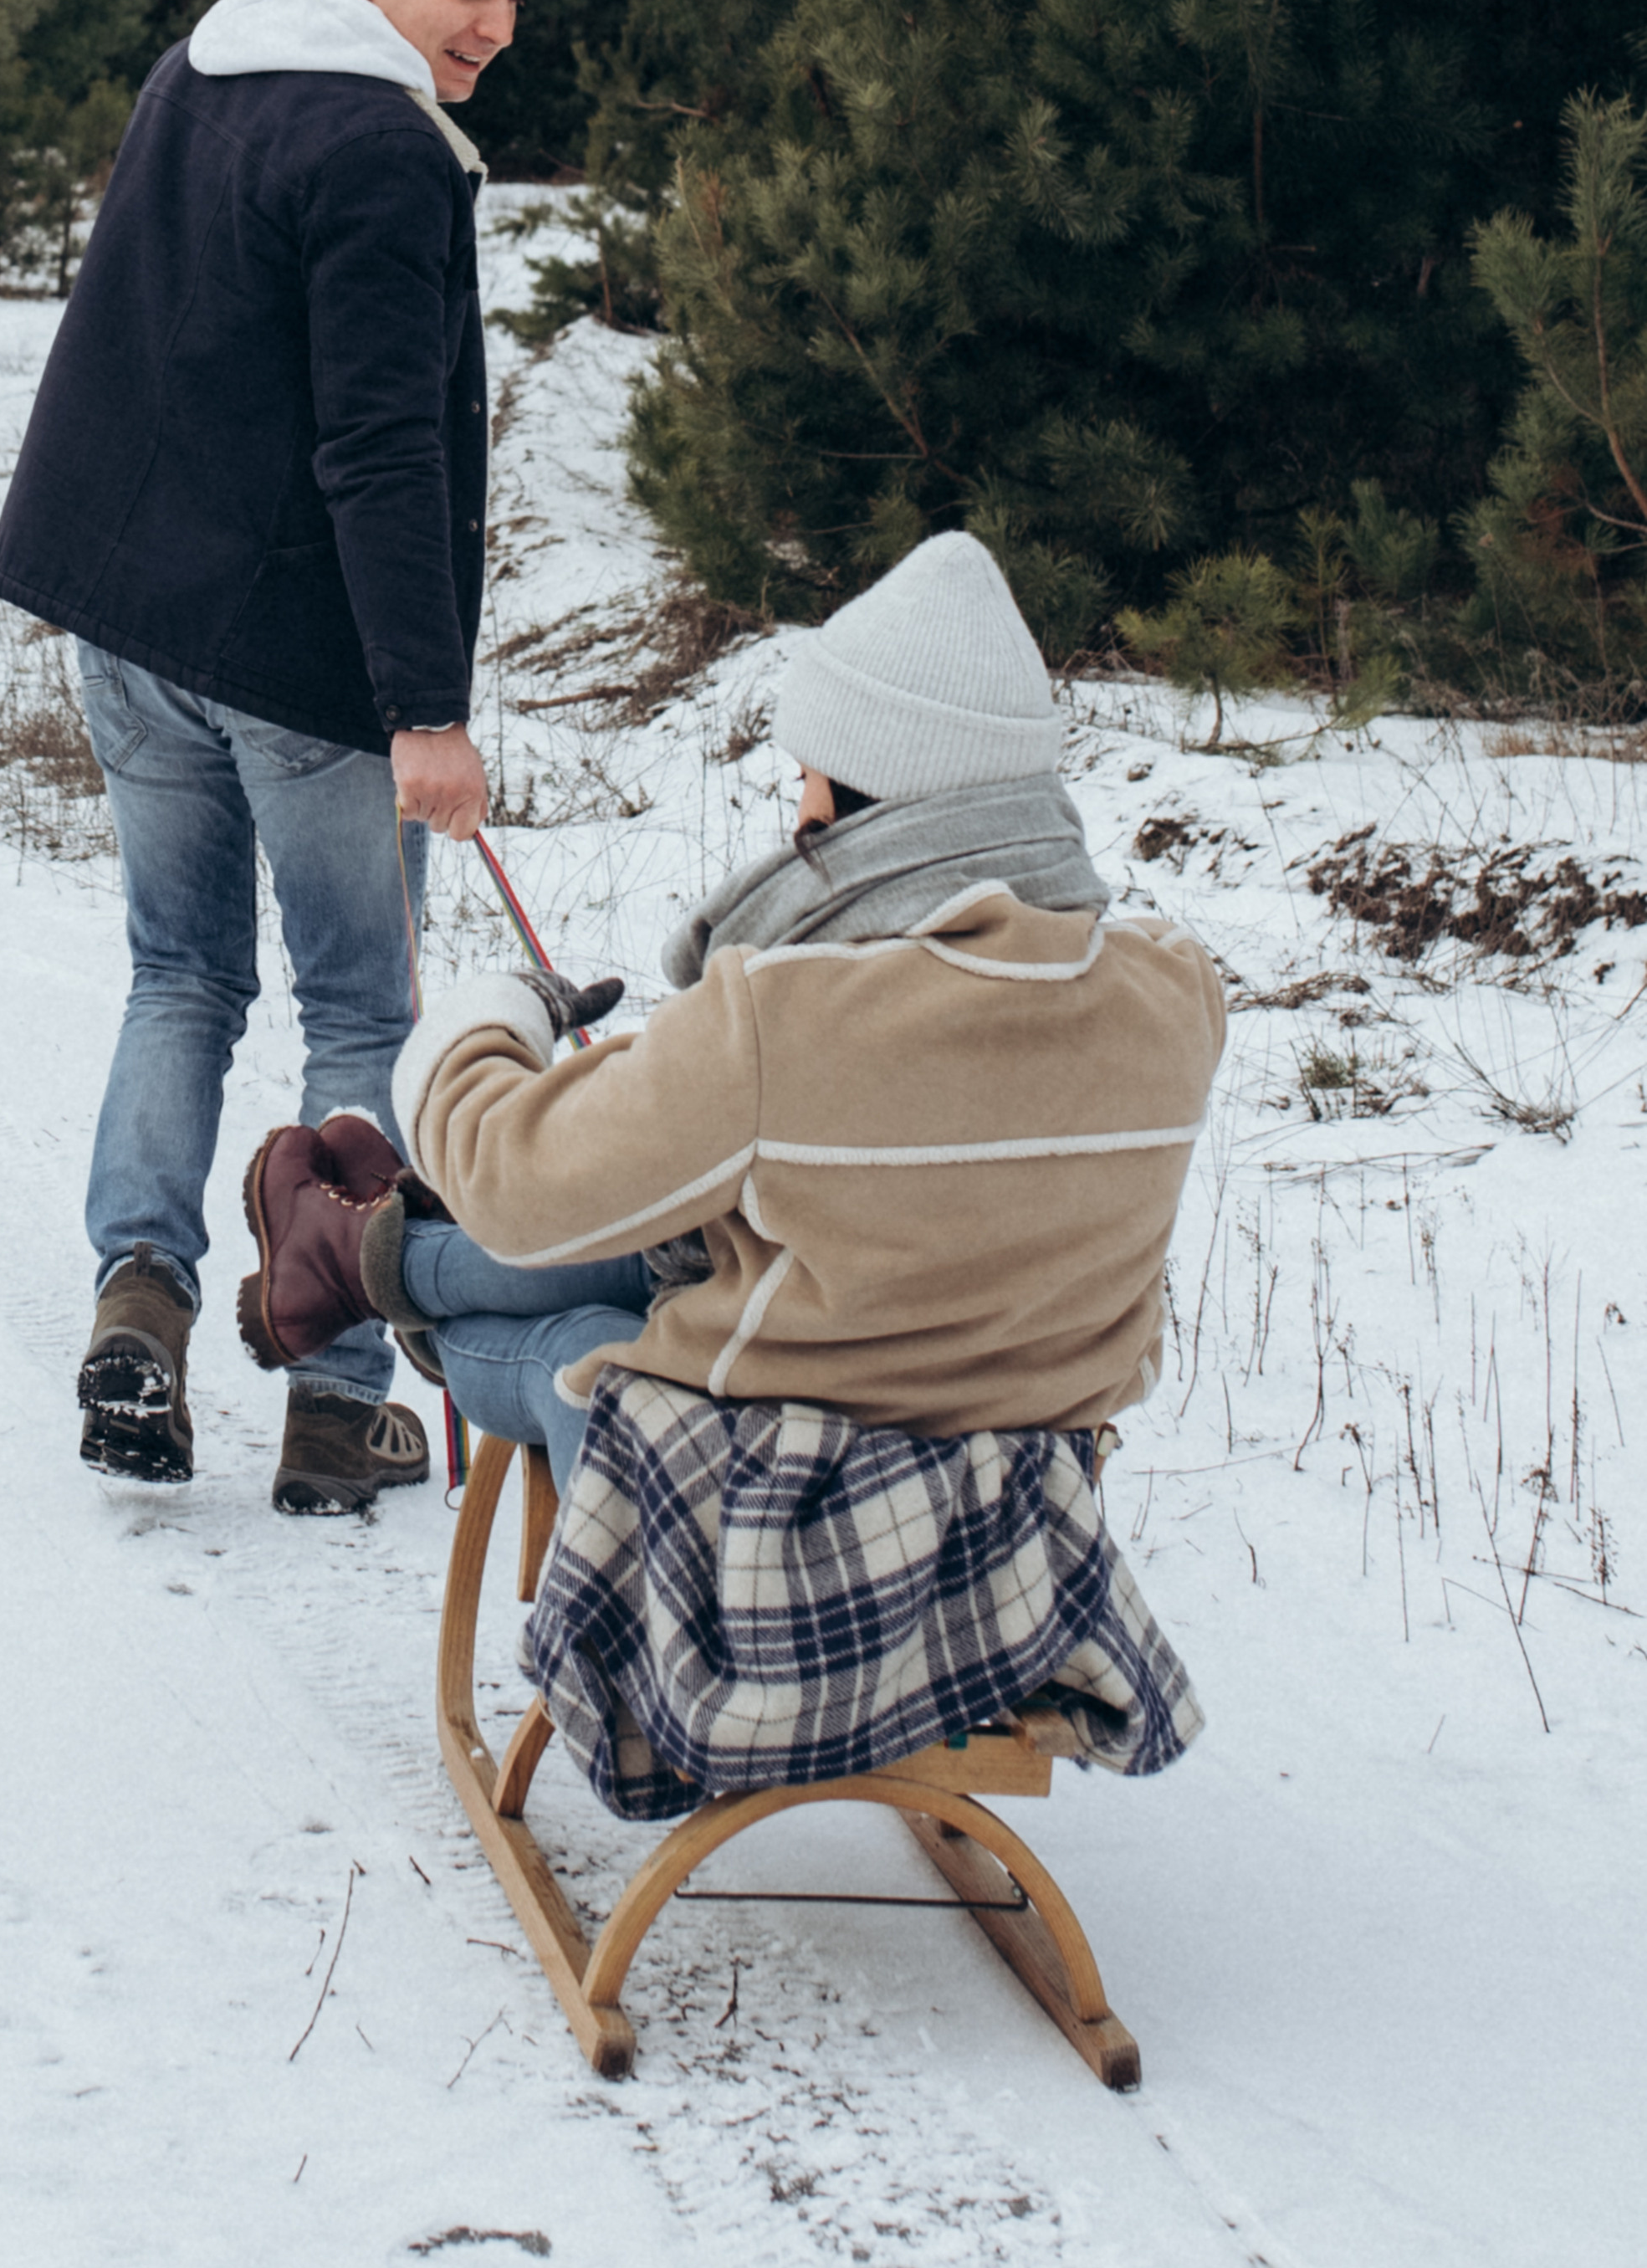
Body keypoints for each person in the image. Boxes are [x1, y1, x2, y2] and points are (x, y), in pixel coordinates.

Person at [239, 532, 1226, 1808]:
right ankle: (357, 1254)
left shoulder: (793, 1016)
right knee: (680, 1243)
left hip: (775, 1539)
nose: (798, 821)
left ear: (869, 804)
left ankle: (371, 1268)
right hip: (1022, 1520)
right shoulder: (1171, 993)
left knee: (580, 1332)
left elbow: (513, 1181)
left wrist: (494, 1022)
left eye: (810, 788)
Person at [0, 0, 533, 1512]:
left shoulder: (204, 68)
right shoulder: (382, 148)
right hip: (297, 659)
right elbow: (382, 449)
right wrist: (424, 708)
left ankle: (136, 1300)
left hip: (136, 624)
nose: (497, 25)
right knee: (362, 1007)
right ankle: (339, 1400)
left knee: (180, 973)